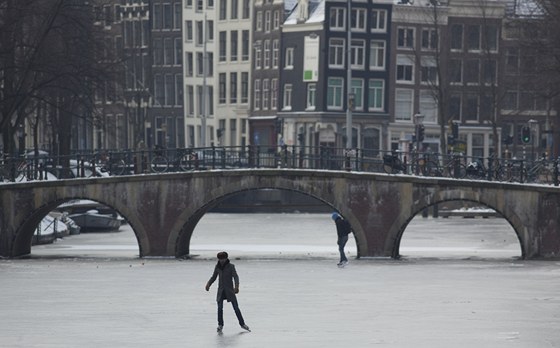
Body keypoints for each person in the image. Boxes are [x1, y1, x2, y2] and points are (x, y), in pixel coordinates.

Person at [205, 251, 250, 333]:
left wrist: (236, 287)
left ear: (226, 258)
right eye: (220, 259)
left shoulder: (231, 266)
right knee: (219, 308)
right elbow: (214, 277)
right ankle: (220, 324)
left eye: (223, 259)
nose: (222, 261)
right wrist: (208, 284)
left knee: (236, 308)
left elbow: (235, 277)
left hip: (229, 290)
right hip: (221, 291)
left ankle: (242, 323)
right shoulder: (217, 267)